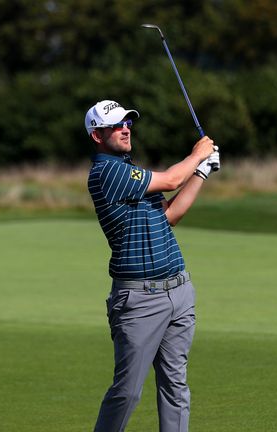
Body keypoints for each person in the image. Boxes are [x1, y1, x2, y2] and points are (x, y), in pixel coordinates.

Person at [85, 100, 220, 432]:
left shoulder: (134, 172)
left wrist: (201, 173)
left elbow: (170, 214)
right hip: (139, 300)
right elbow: (174, 179)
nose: (125, 128)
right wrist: (197, 154)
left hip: (179, 291)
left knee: (176, 388)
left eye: (127, 123)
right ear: (96, 135)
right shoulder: (107, 173)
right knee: (127, 392)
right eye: (116, 125)